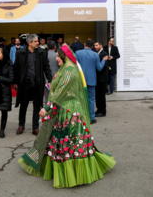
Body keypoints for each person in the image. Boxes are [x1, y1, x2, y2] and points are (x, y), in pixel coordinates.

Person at [18, 45, 116, 188]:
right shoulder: (65, 69)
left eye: (58, 56)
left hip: (70, 113)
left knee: (71, 143)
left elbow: (60, 94)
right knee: (62, 142)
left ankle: (74, 174)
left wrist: (47, 108)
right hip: (63, 110)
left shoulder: (70, 72)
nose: (56, 58)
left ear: (64, 56)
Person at [14, 34, 52, 136]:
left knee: (37, 106)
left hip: (37, 83)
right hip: (25, 83)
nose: (38, 43)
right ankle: (21, 125)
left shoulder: (41, 52)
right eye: (35, 41)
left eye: (38, 41)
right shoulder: (20, 53)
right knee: (23, 105)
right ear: (29, 43)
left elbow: (46, 67)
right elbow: (16, 68)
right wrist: (15, 81)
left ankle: (35, 127)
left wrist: (49, 79)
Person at [76, 40, 107, 124]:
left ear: (84, 44)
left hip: (80, 80)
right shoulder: (95, 54)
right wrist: (103, 60)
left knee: (81, 99)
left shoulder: (78, 53)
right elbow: (99, 68)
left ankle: (81, 116)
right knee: (91, 99)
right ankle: (91, 117)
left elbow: (75, 66)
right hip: (91, 80)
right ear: (92, 47)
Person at [94, 41, 108, 117]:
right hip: (98, 79)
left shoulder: (104, 54)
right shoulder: (98, 54)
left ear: (101, 45)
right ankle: (99, 109)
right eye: (94, 45)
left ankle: (103, 111)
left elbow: (102, 67)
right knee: (98, 96)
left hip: (102, 79)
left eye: (96, 45)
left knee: (101, 95)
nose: (95, 47)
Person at [44, 40, 59, 105]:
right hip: (56, 79)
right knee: (56, 97)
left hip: (46, 79)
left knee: (47, 96)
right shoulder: (57, 56)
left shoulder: (44, 55)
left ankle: (47, 111)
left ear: (47, 47)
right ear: (55, 47)